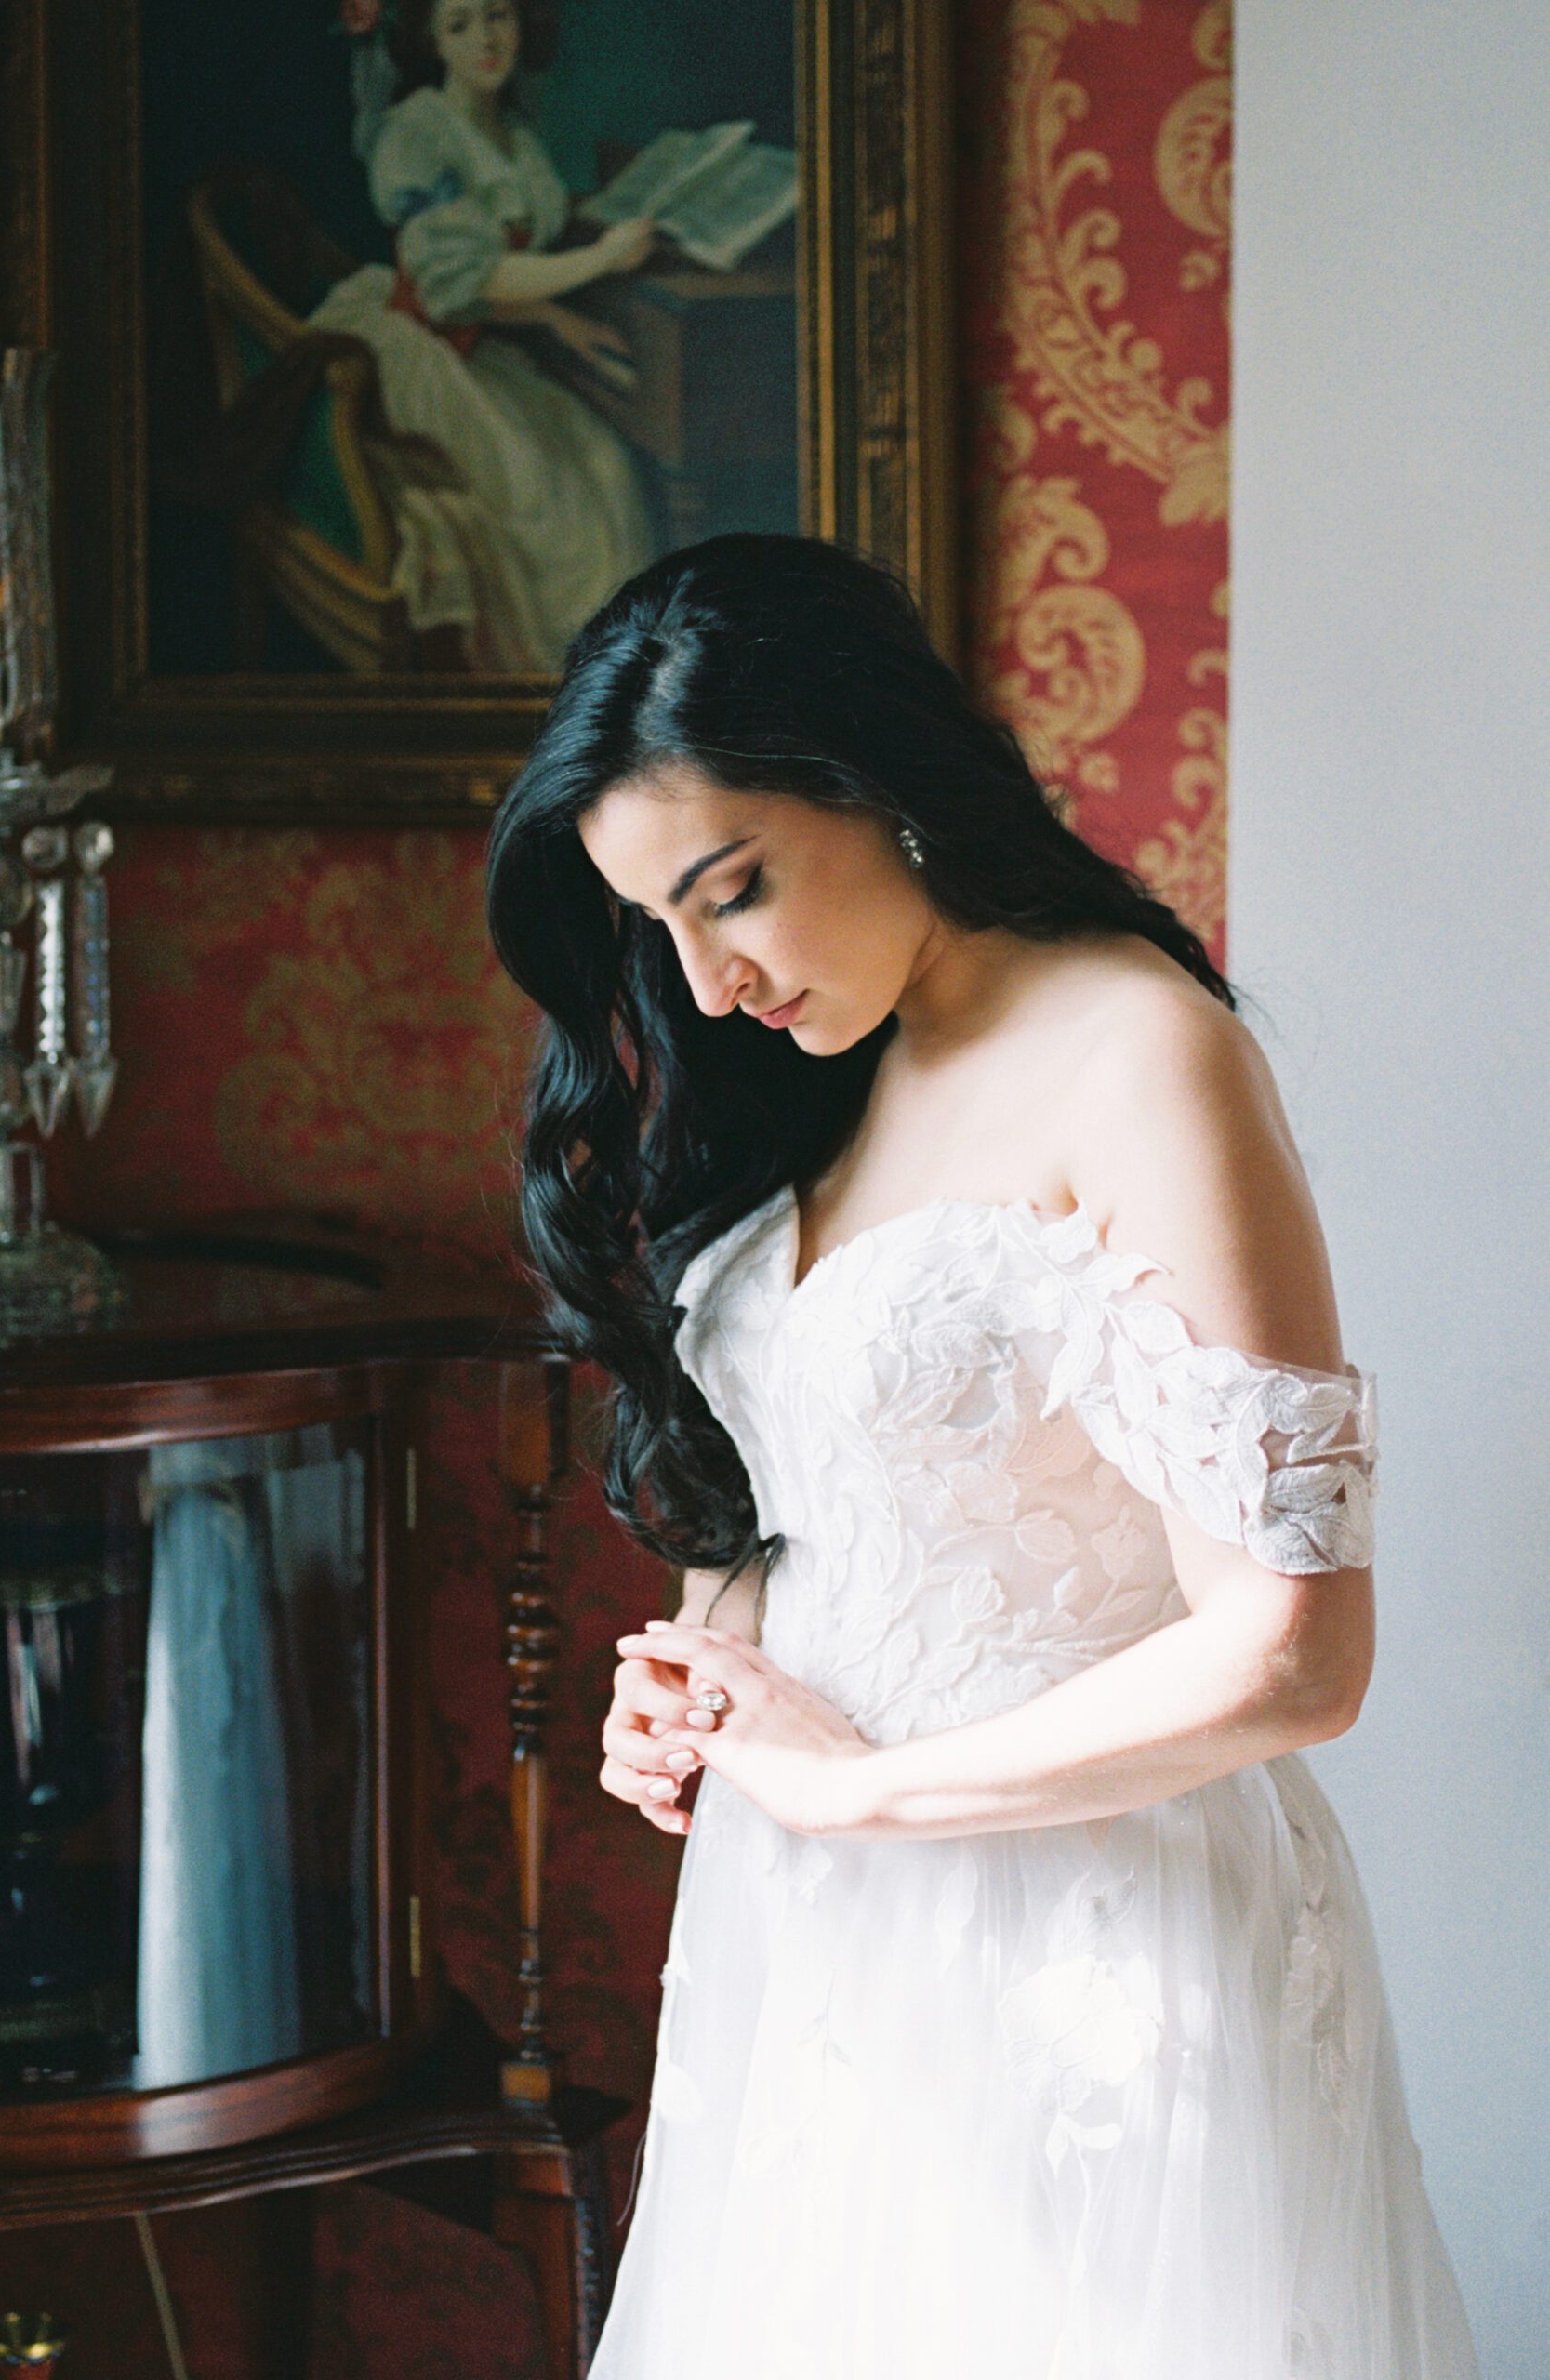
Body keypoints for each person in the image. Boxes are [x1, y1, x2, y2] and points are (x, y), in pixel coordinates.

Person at [483, 533, 1483, 2378]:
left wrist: (863, 1790)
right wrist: (706, 1670)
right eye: (660, 929)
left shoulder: (1141, 1049)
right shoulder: (814, 1071)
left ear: (870, 777)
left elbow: (1292, 1648)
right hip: (813, 1952)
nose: (705, 984)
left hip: (1093, 1951)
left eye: (737, 890)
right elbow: (818, 1486)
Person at [316, 0, 657, 671]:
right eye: (460, 25)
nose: (485, 40)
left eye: (497, 16)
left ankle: (603, 699)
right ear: (432, 43)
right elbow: (456, 285)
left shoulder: (518, 143)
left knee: (607, 470)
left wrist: (554, 320)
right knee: (545, 509)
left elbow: (490, 287)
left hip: (477, 347)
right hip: (417, 356)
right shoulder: (415, 135)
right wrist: (601, 259)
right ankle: (543, 695)